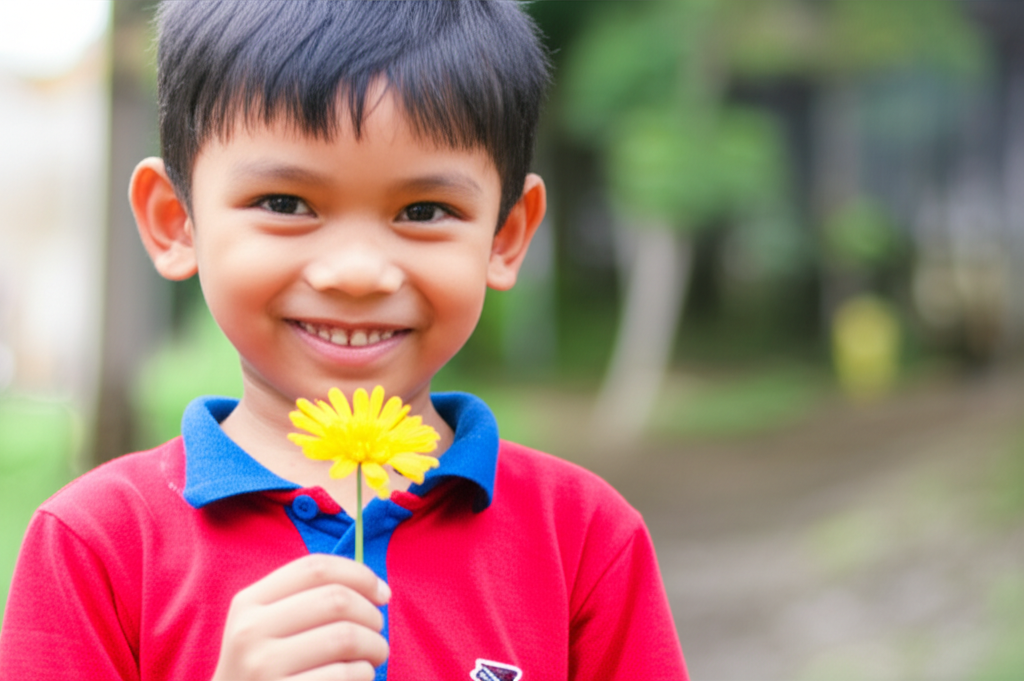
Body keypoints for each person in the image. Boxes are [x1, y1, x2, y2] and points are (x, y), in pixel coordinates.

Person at [0, 2, 688, 679]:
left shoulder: (583, 538)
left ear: (505, 236)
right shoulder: (94, 545)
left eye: (424, 211)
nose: (357, 273)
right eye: (285, 204)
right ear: (175, 220)